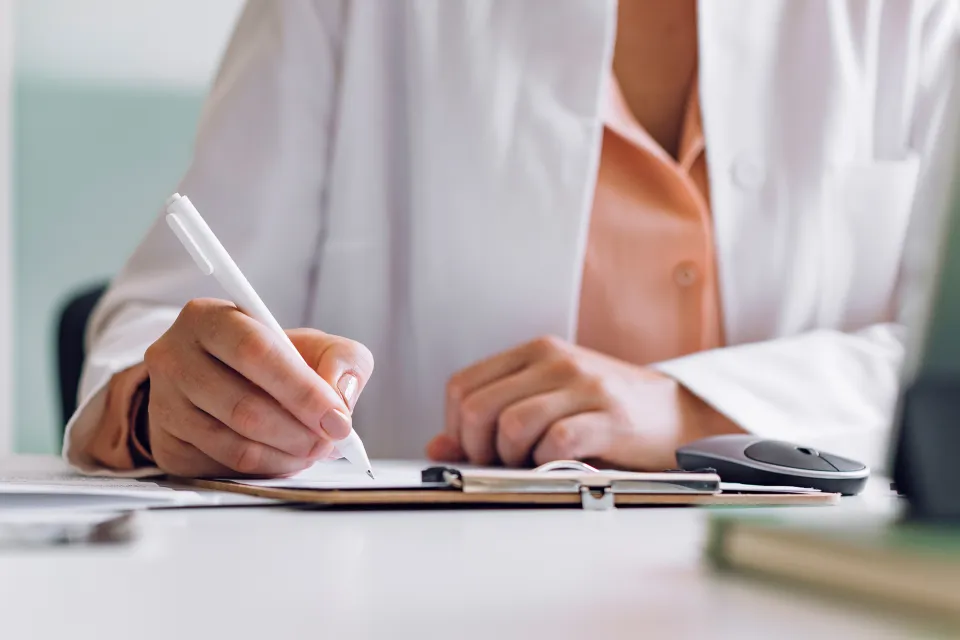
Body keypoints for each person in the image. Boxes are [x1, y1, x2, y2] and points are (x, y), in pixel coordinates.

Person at [64, 0, 959, 478]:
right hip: (406, 602)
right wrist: (162, 408)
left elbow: (940, 369)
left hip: (811, 594)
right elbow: (159, 319)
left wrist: (688, 409)